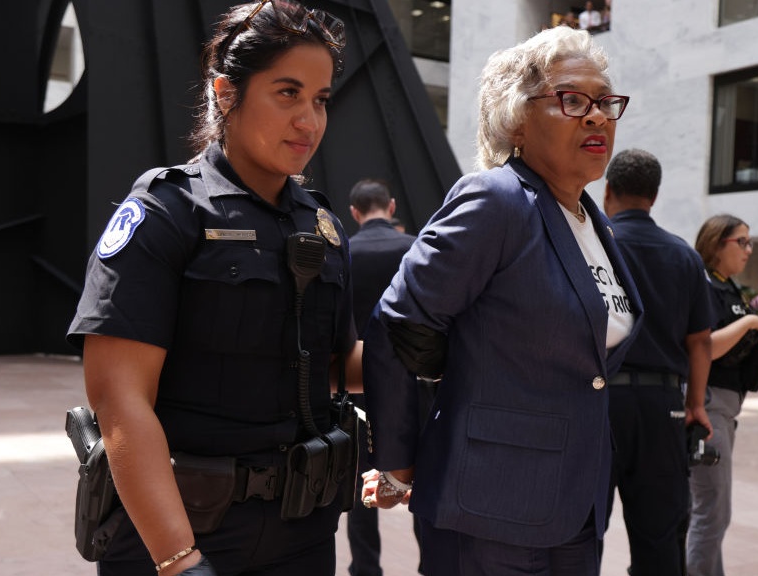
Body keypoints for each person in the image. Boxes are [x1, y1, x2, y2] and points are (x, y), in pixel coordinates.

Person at [66, 2, 360, 575]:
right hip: (180, 530)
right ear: (226, 92)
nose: (309, 120)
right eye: (287, 93)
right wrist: (179, 560)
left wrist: (444, 344)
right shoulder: (166, 211)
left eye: (320, 99)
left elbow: (333, 363)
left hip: (301, 533)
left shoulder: (321, 225)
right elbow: (120, 398)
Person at [361, 25, 642, 576]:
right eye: (572, 99)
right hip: (487, 510)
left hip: (575, 507)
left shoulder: (593, 221)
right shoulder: (496, 199)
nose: (597, 116)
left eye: (606, 102)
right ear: (515, 117)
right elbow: (398, 321)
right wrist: (396, 461)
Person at [600, 148, 713, 576]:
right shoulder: (684, 255)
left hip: (599, 402)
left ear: (608, 190)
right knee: (660, 538)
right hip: (663, 406)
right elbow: (700, 342)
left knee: (579, 531)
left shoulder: (593, 245)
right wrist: (696, 405)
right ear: (655, 196)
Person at [687, 214, 758, 576]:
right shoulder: (702, 285)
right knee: (711, 510)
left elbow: (739, 364)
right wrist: (748, 323)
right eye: (742, 242)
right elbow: (706, 348)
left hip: (724, 402)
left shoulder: (729, 289)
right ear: (717, 243)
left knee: (709, 510)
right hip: (706, 400)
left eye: (750, 242)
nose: (749, 250)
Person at [344, 178, 417, 576]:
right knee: (423, 477)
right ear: (390, 207)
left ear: (355, 212)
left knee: (360, 484)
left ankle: (365, 568)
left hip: (359, 384)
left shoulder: (345, 253)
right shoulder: (416, 248)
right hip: (412, 388)